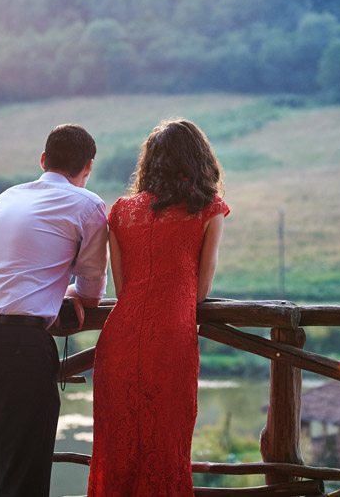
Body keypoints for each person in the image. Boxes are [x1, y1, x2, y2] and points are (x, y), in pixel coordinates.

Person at [0, 123, 108, 497]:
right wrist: (66, 292)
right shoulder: (88, 205)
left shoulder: (5, 198)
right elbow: (92, 292)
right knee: (23, 479)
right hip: (17, 345)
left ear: (42, 160)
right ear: (88, 167)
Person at [87, 119, 229, 497]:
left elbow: (122, 288)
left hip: (119, 340)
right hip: (171, 340)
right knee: (166, 448)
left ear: (150, 162)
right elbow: (200, 292)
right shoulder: (209, 209)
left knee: (117, 449)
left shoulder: (121, 211)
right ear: (199, 159)